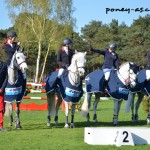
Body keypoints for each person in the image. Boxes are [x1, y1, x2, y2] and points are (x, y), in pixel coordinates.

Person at [0, 52, 8, 131]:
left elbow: (6, 77)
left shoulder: (4, 65)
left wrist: (2, 88)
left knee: (1, 108)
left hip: (1, 91)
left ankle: (1, 126)